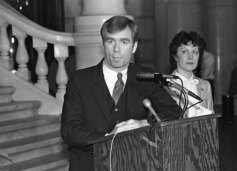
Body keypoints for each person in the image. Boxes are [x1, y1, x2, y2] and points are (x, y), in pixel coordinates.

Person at [60, 16, 182, 171]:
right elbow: (69, 130)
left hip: (137, 164)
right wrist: (108, 139)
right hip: (90, 165)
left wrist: (143, 124)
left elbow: (173, 111)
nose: (116, 49)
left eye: (124, 42)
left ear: (134, 46)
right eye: (111, 41)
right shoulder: (80, 80)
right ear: (103, 44)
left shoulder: (146, 76)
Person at [167, 30, 214, 118]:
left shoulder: (205, 85)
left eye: (195, 52)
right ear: (175, 56)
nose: (191, 56)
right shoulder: (166, 85)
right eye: (185, 51)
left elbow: (211, 121)